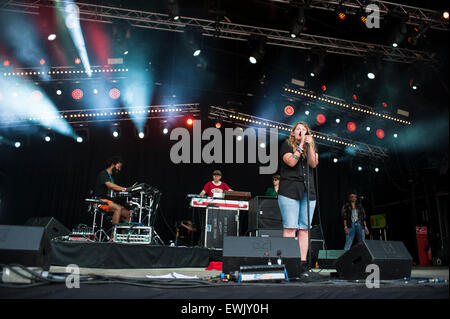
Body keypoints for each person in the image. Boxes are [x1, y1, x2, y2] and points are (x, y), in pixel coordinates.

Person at [278, 121, 319, 272]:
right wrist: (301, 144)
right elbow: (291, 162)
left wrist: (310, 146)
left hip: (308, 192)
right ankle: (288, 261)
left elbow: (313, 164)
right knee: (290, 227)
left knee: (305, 229)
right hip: (289, 190)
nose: (301, 131)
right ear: (293, 133)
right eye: (298, 130)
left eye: (304, 130)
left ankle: (302, 263)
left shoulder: (311, 147)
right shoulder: (286, 145)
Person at [94, 156, 132, 226]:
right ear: (113, 164)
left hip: (109, 201)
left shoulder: (112, 177)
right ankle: (113, 234)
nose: (119, 169)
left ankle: (123, 236)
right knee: (118, 208)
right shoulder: (104, 174)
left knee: (128, 214)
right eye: (119, 167)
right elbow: (109, 185)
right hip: (100, 201)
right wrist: (124, 189)